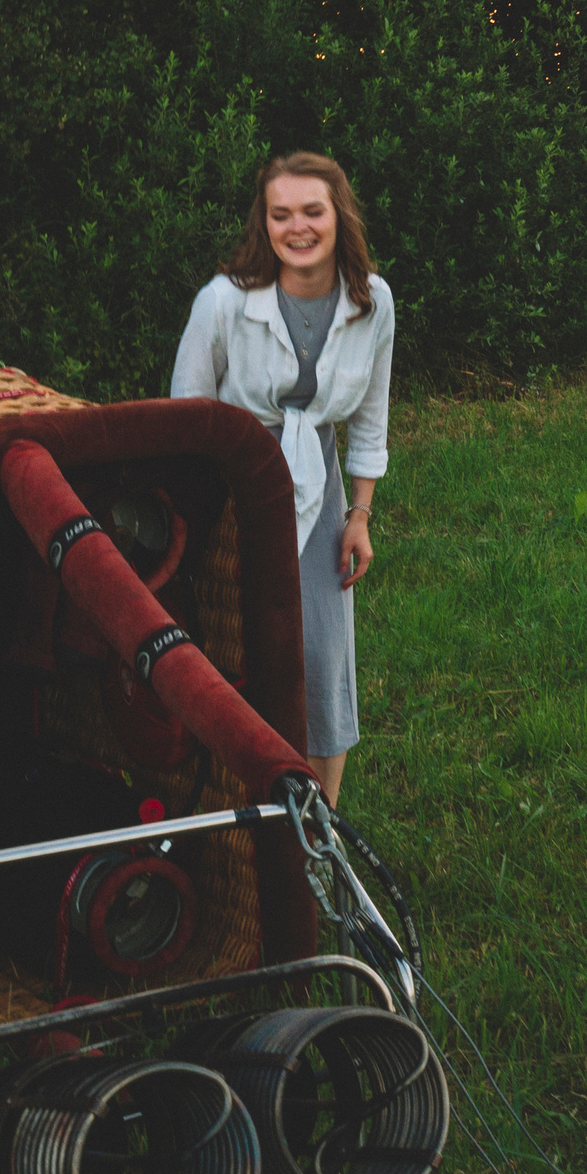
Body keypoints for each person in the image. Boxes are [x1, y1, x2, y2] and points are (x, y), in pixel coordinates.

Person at [170, 152, 395, 803]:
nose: (297, 227)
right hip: (231, 481)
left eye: (312, 212)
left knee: (324, 657)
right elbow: (188, 417)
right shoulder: (222, 304)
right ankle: (236, 804)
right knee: (236, 648)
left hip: (318, 480)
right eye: (281, 214)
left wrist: (360, 514)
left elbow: (372, 415)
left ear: (338, 217)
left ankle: (323, 824)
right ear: (263, 223)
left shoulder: (371, 302)